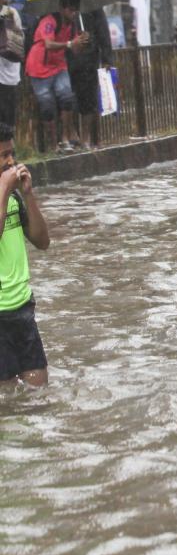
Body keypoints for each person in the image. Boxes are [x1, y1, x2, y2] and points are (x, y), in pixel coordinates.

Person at [0, 122, 51, 388]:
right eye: (2, 155)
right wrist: (4, 189)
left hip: (22, 310)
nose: (10, 162)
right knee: (7, 406)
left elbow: (43, 241)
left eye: (11, 154)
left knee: (39, 394)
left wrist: (28, 195)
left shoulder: (14, 198)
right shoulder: (4, 193)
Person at [26, 0, 89, 153]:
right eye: (70, 10)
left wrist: (82, 43)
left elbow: (75, 50)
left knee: (67, 97)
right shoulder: (49, 21)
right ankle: (53, 145)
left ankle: (65, 138)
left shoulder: (73, 25)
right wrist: (69, 44)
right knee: (47, 106)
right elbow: (48, 44)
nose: (73, 13)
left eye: (76, 10)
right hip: (39, 67)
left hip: (59, 66)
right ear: (62, 8)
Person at [66, 7, 114, 149]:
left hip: (89, 59)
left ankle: (86, 137)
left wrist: (107, 59)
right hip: (68, 58)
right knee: (68, 98)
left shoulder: (93, 6)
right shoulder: (62, 5)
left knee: (88, 99)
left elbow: (103, 32)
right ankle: (71, 134)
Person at [0, 0, 20, 130]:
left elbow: (17, 41)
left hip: (9, 73)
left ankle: (8, 149)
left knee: (8, 115)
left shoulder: (12, 13)